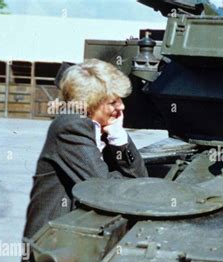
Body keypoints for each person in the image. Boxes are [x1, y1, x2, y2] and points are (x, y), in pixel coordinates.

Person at [23, 59, 148, 241]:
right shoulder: (70, 127)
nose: (121, 106)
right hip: (53, 245)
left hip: (77, 236)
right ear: (90, 103)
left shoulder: (101, 126)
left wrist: (119, 138)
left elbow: (141, 179)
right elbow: (102, 188)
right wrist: (129, 182)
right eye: (113, 101)